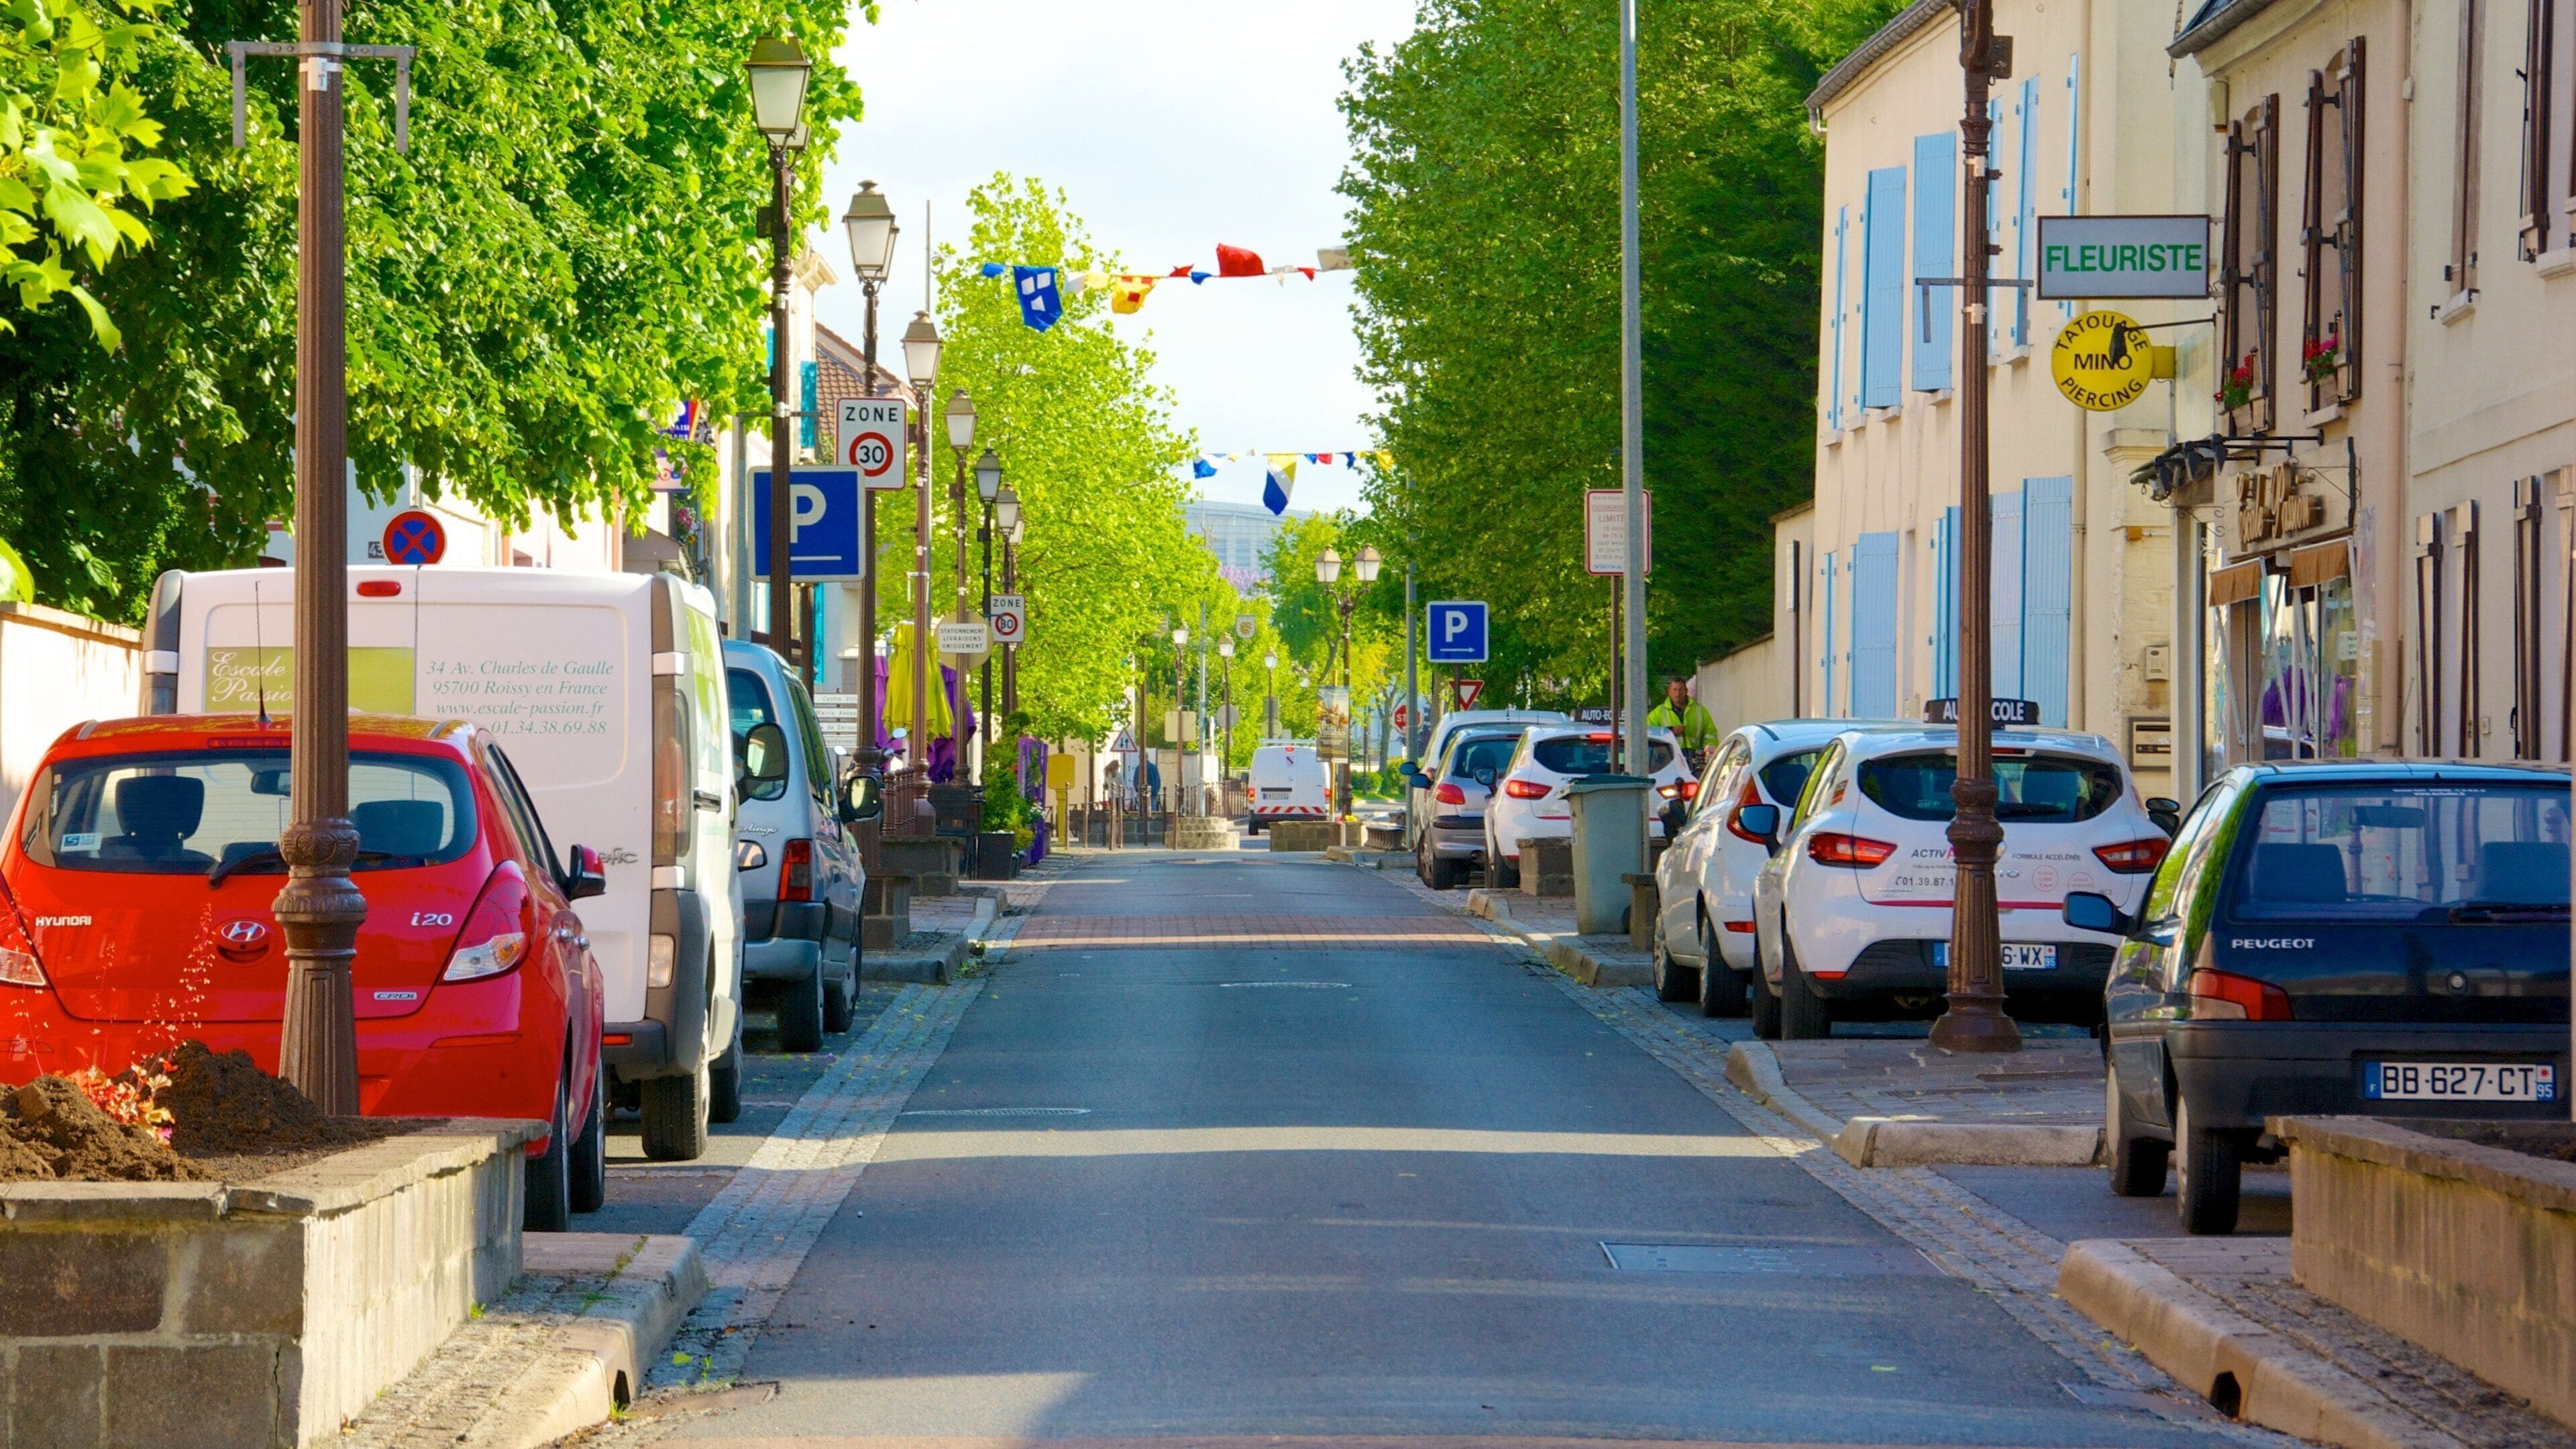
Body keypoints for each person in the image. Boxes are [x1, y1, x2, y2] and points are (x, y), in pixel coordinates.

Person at [1646, 676, 1719, 774]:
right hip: (1668, 760)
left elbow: (1711, 734)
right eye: (1675, 690)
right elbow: (1649, 733)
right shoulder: (1658, 713)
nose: (1678, 693)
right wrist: (1670, 731)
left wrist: (1707, 752)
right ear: (1669, 692)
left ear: (1686, 691)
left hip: (1696, 760)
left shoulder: (1700, 710)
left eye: (1681, 690)